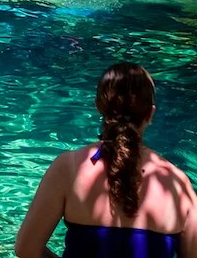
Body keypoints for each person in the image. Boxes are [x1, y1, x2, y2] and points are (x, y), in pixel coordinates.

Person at [16, 62, 197, 258]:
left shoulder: (69, 168)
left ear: (98, 106)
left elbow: (26, 249)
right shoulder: (178, 185)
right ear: (150, 113)